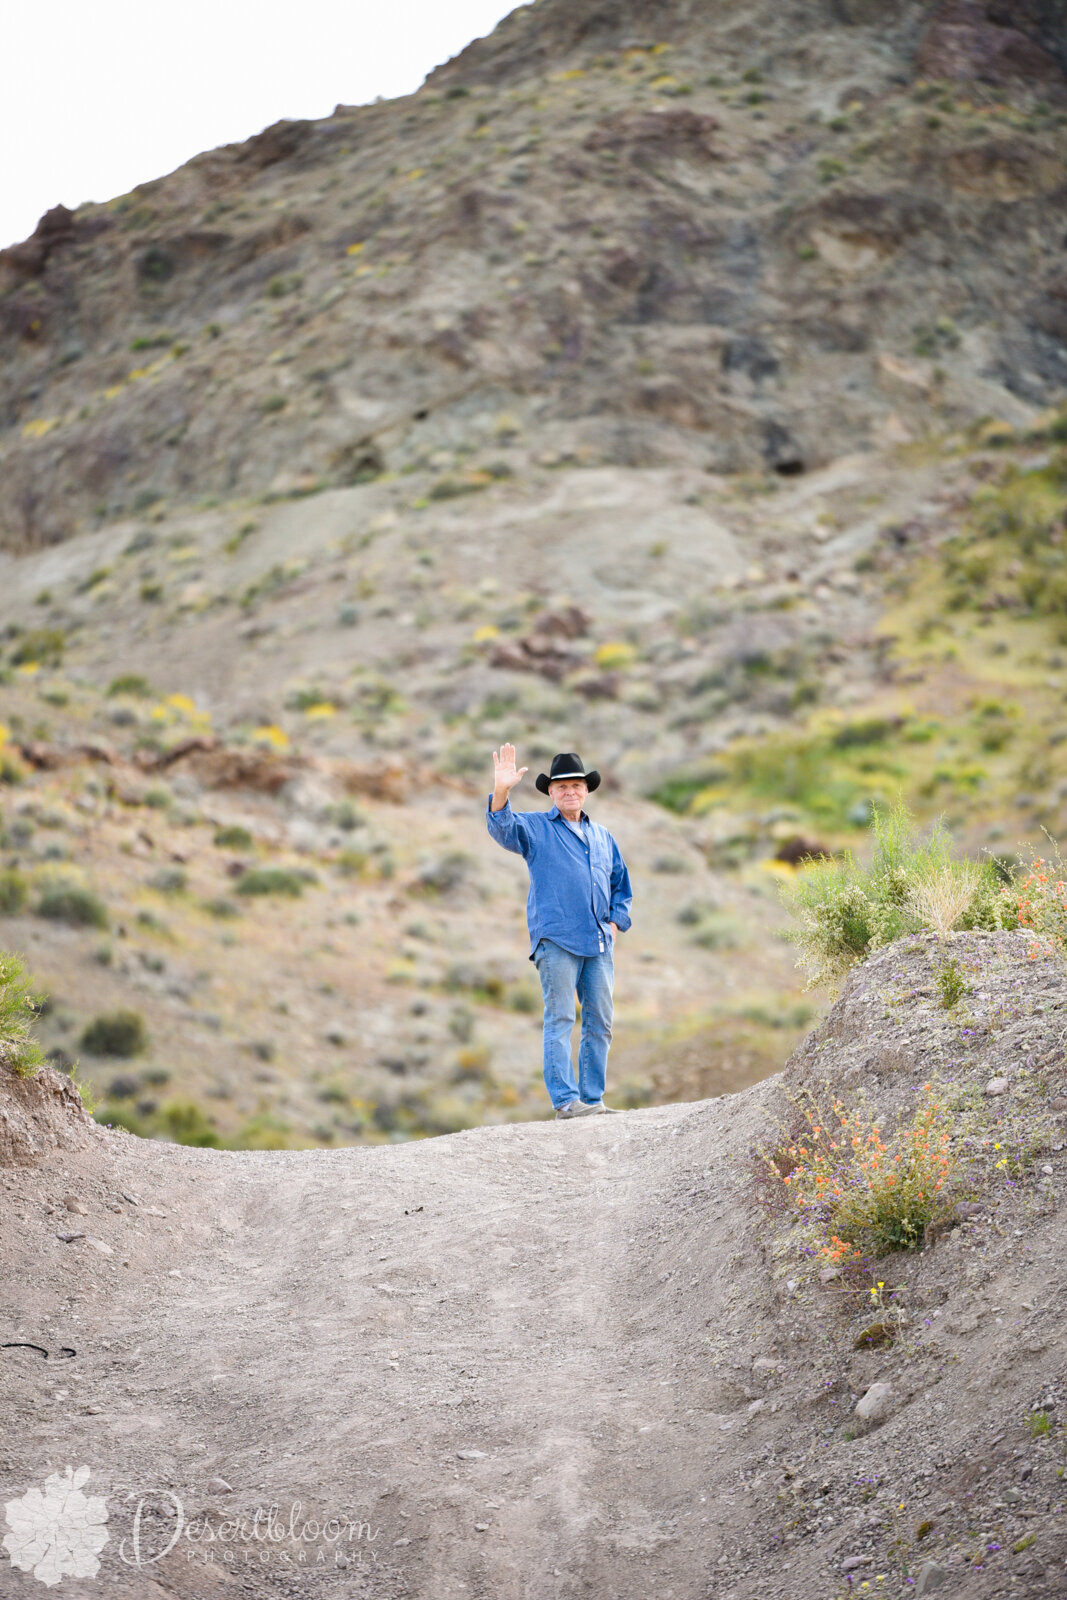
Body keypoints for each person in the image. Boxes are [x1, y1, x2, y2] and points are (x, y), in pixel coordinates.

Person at [486, 744, 633, 1120]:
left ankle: (592, 1100)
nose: (570, 791)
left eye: (577, 785)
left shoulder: (602, 836)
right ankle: (567, 1103)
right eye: (562, 786)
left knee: (600, 1022)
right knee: (561, 1019)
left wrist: (615, 922)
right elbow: (503, 828)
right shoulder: (536, 828)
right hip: (557, 941)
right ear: (550, 792)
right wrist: (502, 790)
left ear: (587, 790)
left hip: (599, 942)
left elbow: (621, 883)